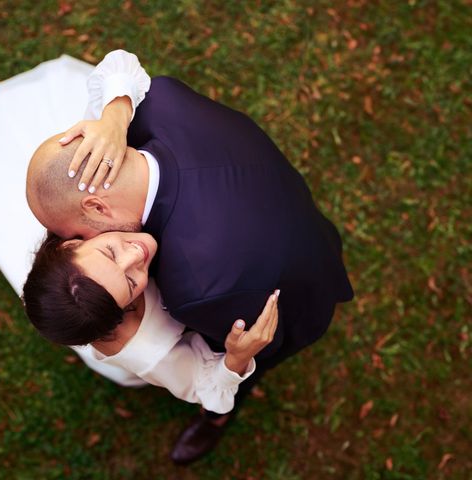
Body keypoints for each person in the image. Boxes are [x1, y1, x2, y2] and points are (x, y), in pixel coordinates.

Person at [25, 50, 354, 464]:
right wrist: (116, 113)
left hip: (295, 277)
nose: (137, 253)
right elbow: (125, 70)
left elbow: (228, 358)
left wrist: (237, 358)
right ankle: (215, 418)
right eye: (129, 282)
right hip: (300, 220)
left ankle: (215, 419)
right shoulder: (159, 100)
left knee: (254, 357)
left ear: (96, 207)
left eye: (83, 237)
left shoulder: (198, 285)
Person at [23, 231, 280, 418]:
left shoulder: (77, 228)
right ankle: (213, 427)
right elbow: (209, 391)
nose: (135, 253)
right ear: (123, 310)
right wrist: (238, 356)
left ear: (71, 244)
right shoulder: (148, 353)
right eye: (131, 283)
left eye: (109, 252)